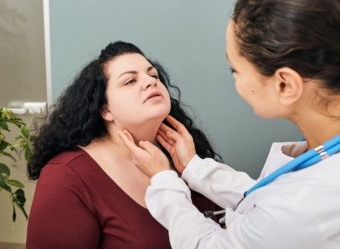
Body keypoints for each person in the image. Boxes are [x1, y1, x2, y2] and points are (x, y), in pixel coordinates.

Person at [119, 0, 340, 248]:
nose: (149, 83)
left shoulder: (303, 208)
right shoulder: (321, 162)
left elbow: (215, 242)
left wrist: (164, 180)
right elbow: (267, 199)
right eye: (129, 81)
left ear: (285, 85)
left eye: (235, 70)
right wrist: (194, 168)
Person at [26, 41, 221, 249]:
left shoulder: (188, 158)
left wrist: (195, 168)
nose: (149, 82)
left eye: (153, 75)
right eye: (130, 81)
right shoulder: (66, 176)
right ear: (105, 109)